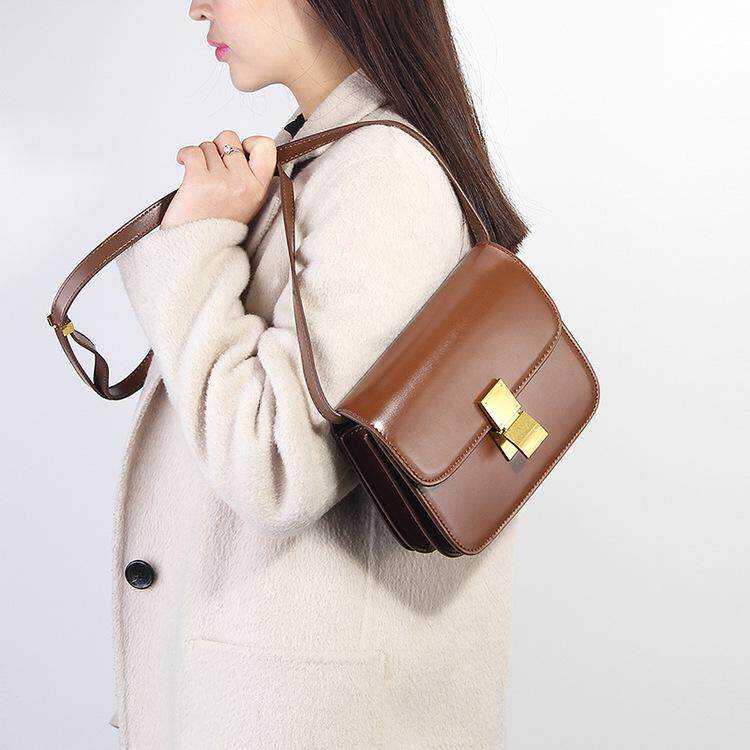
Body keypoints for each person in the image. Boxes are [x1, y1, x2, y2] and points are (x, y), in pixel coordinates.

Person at [110, 0, 528, 746]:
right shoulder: (333, 159)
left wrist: (196, 244)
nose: (196, 7)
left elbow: (278, 465)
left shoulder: (380, 175)